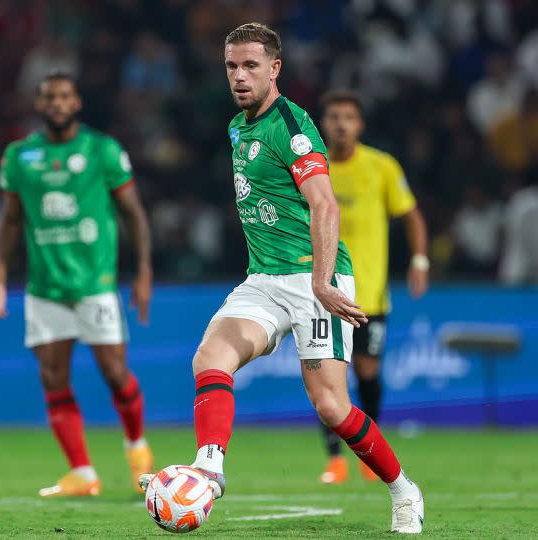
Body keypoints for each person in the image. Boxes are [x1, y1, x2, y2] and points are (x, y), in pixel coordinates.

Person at [139, 24, 424, 533]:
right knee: (210, 357)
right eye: (232, 66)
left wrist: (319, 281)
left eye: (251, 66)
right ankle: (209, 469)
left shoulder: (291, 126)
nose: (239, 76)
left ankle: (403, 489)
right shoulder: (236, 126)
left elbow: (324, 203)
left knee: (332, 406)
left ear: (275, 69)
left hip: (315, 277)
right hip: (264, 279)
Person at [0, 72, 155, 497]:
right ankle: (82, 472)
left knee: (115, 373)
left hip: (95, 283)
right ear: (39, 105)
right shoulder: (20, 155)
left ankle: (137, 449)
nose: (57, 103)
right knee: (53, 377)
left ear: (77, 102)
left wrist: (145, 271)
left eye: (65, 96)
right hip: (44, 287)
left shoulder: (102, 150)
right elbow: (9, 221)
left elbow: (132, 212)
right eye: (49, 98)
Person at [317, 90, 429, 484]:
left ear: (360, 124)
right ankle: (334, 460)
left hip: (370, 295)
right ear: (324, 123)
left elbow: (411, 215)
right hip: (323, 293)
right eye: (334, 116)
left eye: (349, 116)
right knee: (327, 378)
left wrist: (419, 259)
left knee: (366, 373)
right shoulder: (312, 166)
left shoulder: (381, 167)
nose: (341, 124)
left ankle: (369, 452)